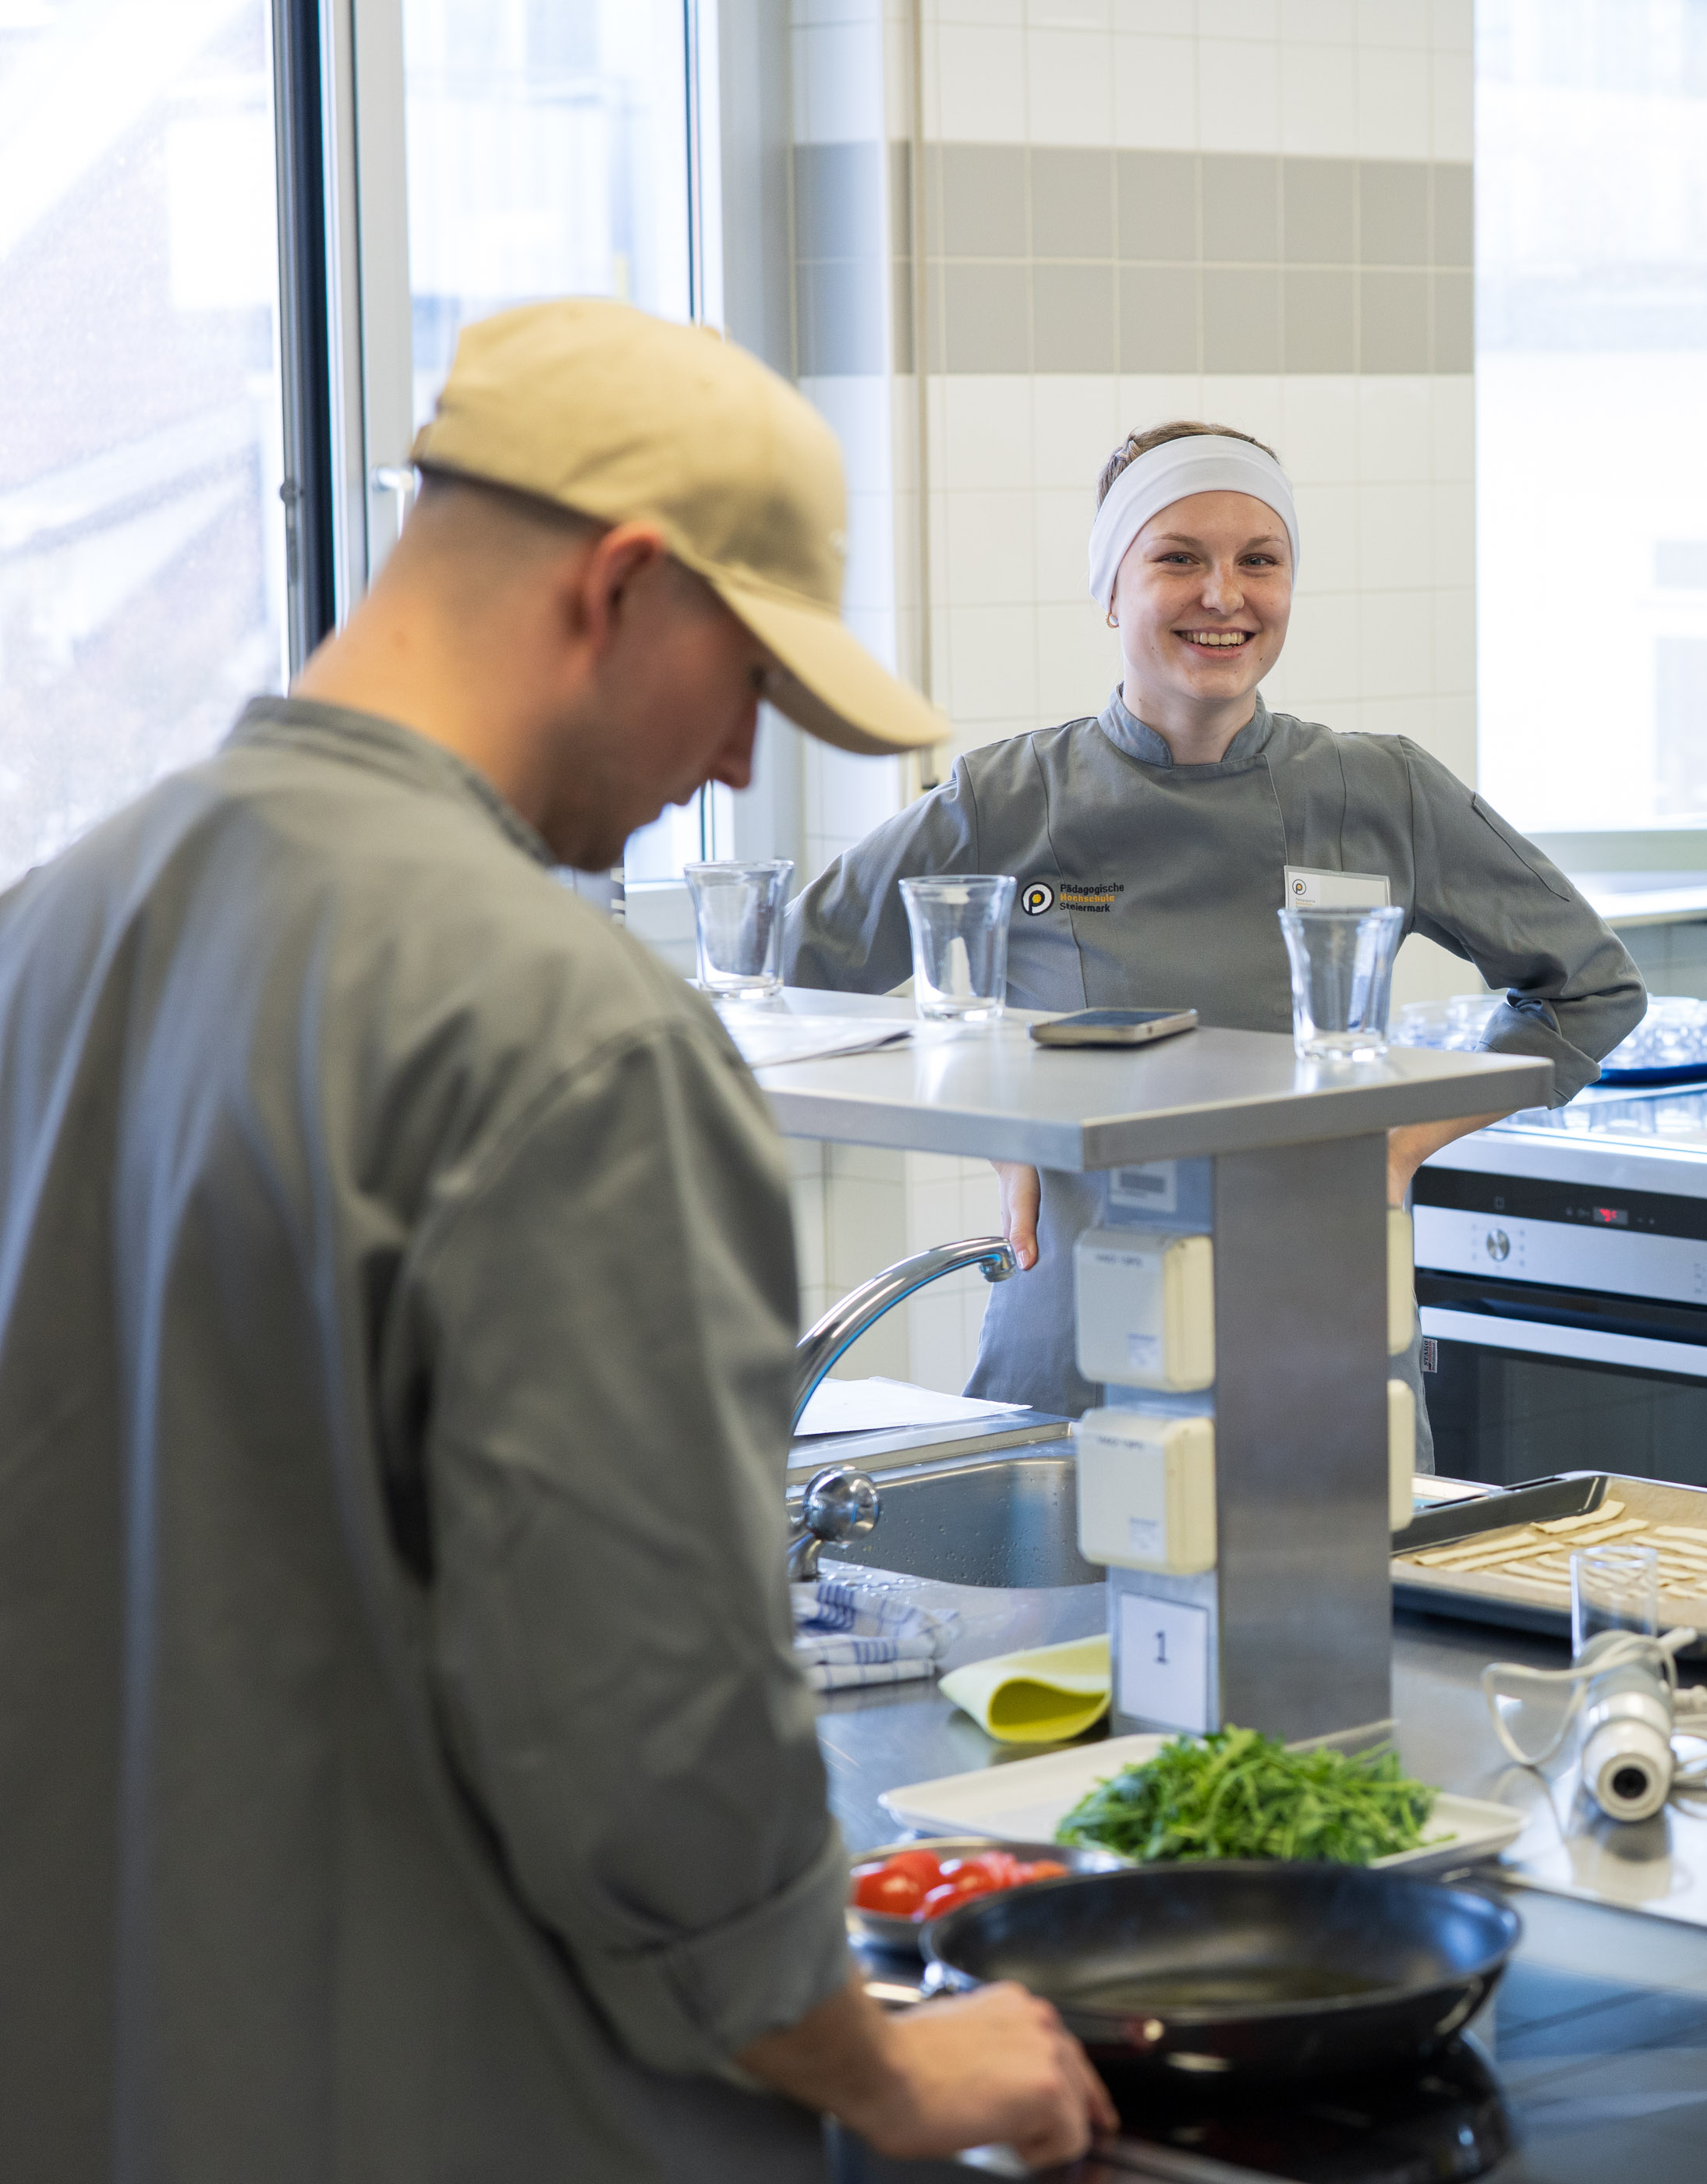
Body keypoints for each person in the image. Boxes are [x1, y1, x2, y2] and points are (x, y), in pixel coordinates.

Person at [0, 301, 1107, 2176]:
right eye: (753, 682)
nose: (746, 767)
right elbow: (654, 1742)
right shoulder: (561, 1028)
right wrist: (887, 2069)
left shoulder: (57, 928)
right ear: (623, 585)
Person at [785, 421, 1644, 1418]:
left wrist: (1400, 1140)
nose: (1225, 595)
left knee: (1332, 1567)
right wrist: (997, 1124)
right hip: (1080, 1326)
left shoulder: (1382, 789)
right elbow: (782, 985)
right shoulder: (1007, 799)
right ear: (1111, 590)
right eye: (1178, 559)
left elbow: (1589, 988)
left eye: (1259, 560)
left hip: (1319, 1314)